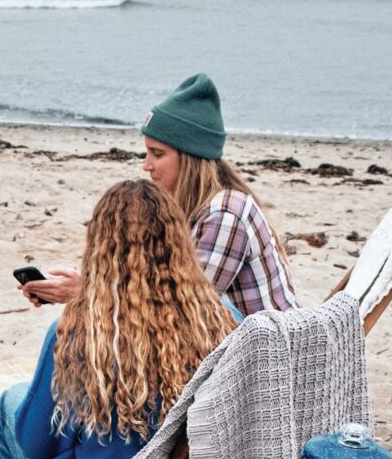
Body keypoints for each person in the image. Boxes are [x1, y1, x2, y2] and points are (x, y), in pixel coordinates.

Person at [0, 180, 240, 459]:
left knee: (9, 408)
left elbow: (36, 442)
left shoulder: (81, 331)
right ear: (179, 242)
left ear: (98, 249)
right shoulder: (224, 320)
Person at [19, 73, 299, 318]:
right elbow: (157, 285)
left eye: (158, 153)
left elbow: (182, 307)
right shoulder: (188, 208)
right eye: (147, 152)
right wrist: (88, 284)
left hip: (268, 364)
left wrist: (87, 293)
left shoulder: (226, 213)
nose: (146, 165)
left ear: (191, 158)